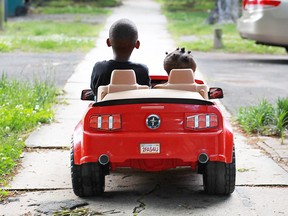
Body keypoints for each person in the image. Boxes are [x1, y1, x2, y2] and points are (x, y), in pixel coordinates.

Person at [90, 18, 151, 96]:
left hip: (105, 108)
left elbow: (95, 91)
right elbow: (145, 94)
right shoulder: (142, 70)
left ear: (108, 42)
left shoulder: (99, 68)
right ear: (137, 44)